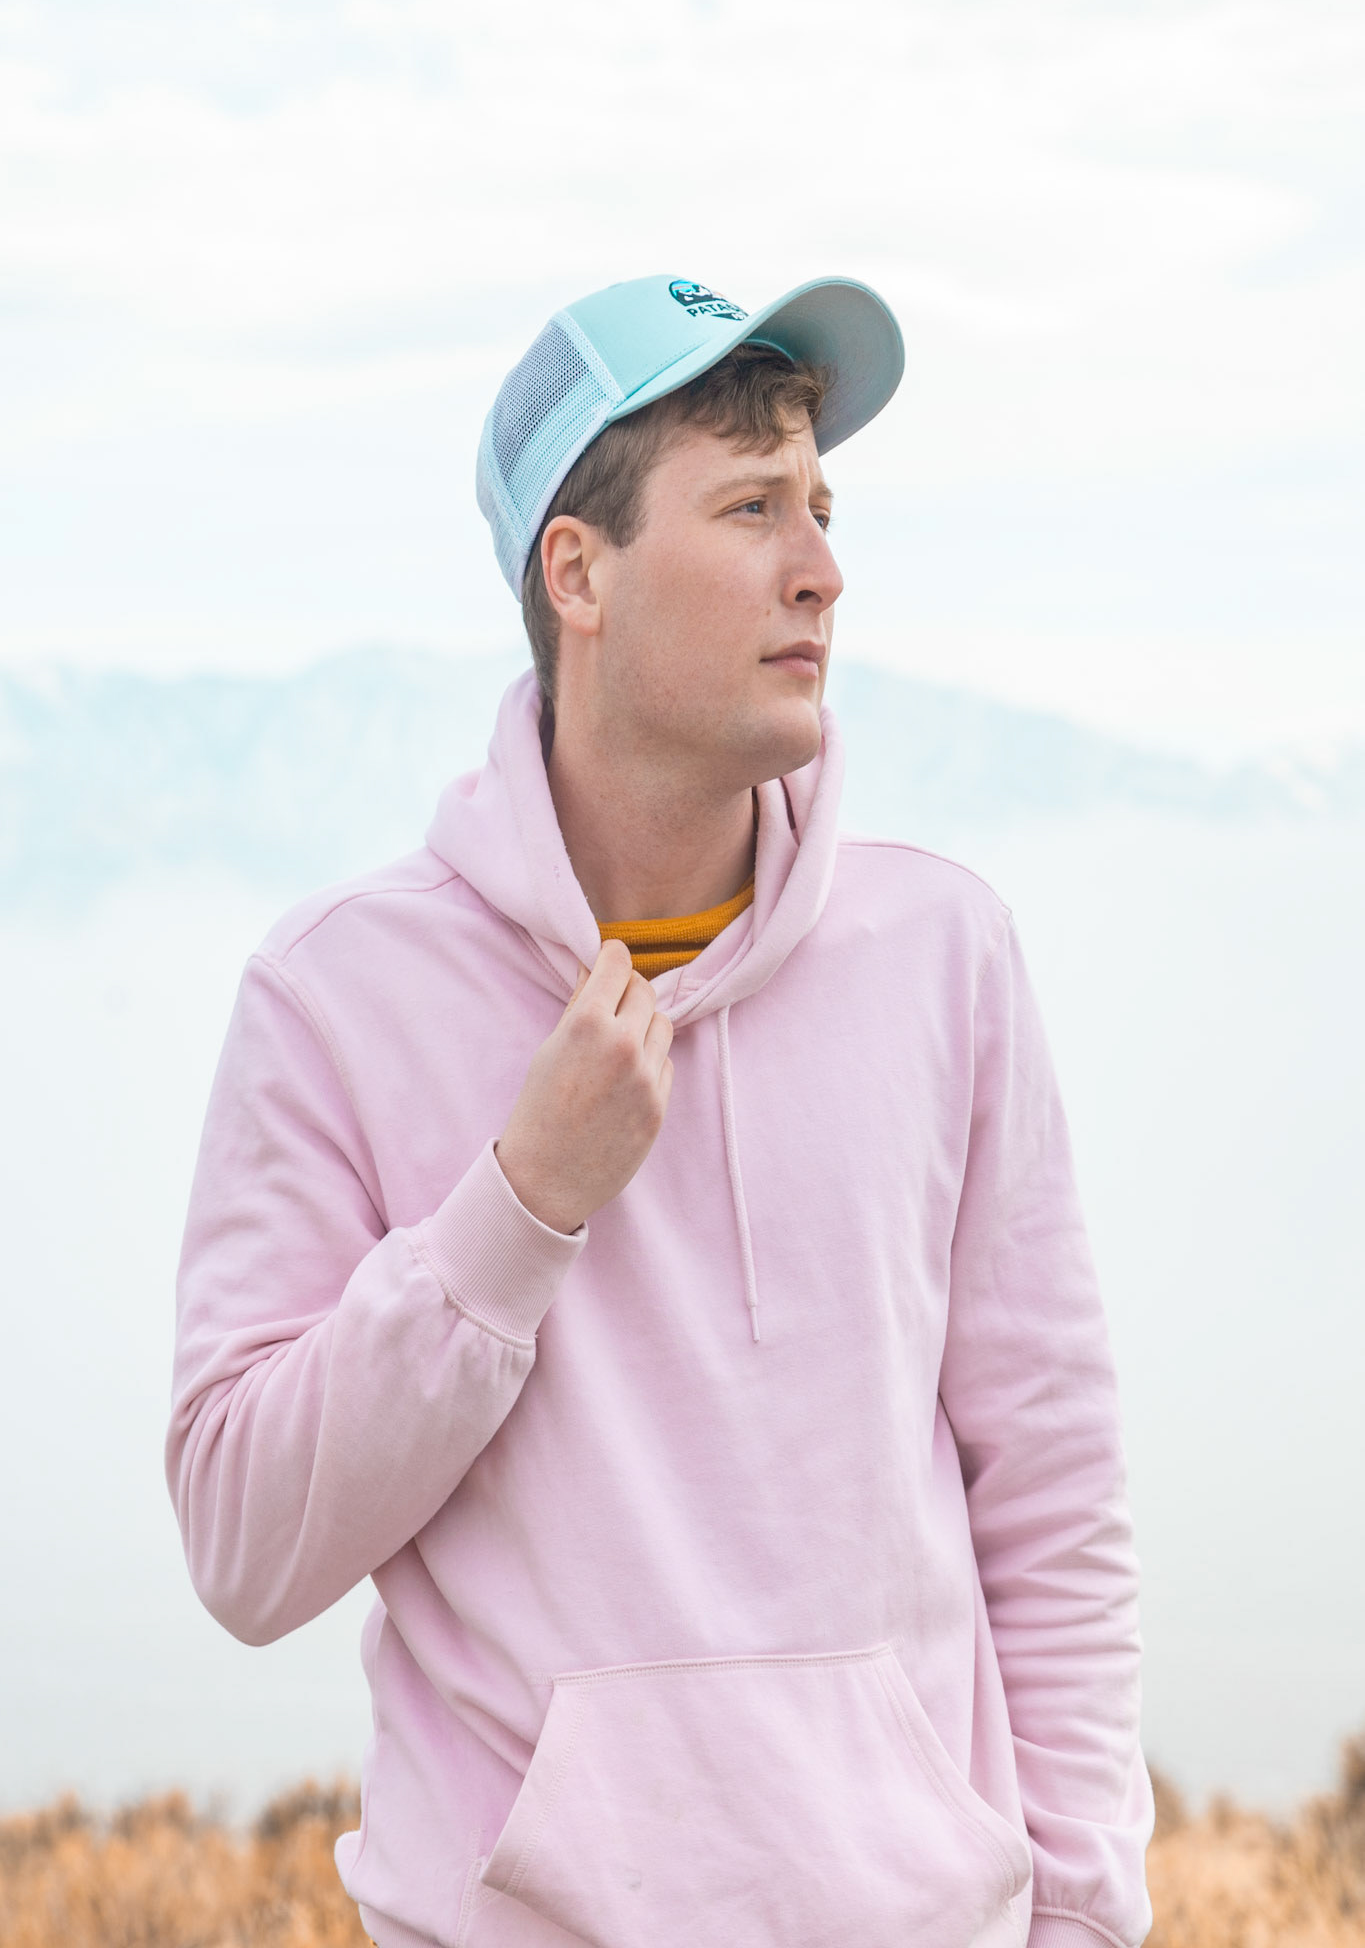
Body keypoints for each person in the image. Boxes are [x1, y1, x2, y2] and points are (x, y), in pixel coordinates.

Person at [167, 272, 1155, 1948]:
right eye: (752, 507)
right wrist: (517, 1209)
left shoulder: (945, 953)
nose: (820, 568)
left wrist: (1081, 1922)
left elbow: (1051, 1502)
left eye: (823, 508)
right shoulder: (334, 996)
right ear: (580, 573)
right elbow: (244, 1545)